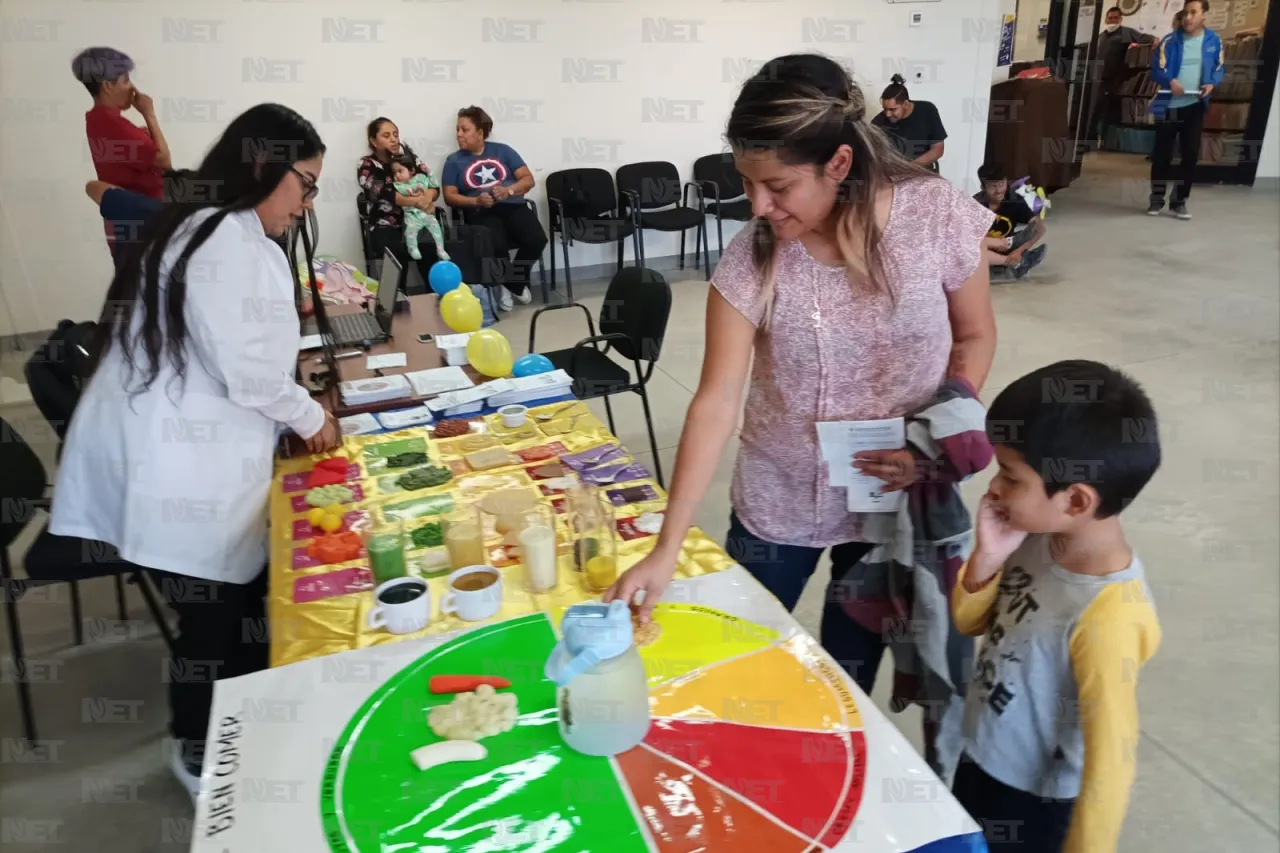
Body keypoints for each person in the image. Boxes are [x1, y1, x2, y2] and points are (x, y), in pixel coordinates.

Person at [605, 53, 996, 749]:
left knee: (844, 679)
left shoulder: (933, 215)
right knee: (740, 662)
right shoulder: (756, 250)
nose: (757, 206)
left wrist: (930, 442)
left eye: (777, 185)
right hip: (777, 495)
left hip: (890, 499)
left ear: (839, 163)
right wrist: (668, 546)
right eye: (747, 183)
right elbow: (716, 400)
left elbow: (973, 337)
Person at [50, 103, 341, 799]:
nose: (306, 204)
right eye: (306, 184)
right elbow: (249, 373)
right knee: (210, 616)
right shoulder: (227, 241)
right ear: (266, 167)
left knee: (238, 599)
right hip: (176, 470)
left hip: (187, 455)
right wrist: (313, 416)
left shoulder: (215, 227)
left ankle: (246, 720)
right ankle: (199, 748)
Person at [951, 360, 1163, 853]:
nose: (993, 487)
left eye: (1009, 475)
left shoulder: (1110, 614)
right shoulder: (1036, 536)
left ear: (1075, 501)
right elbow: (969, 622)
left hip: (1033, 802)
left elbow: (1111, 764)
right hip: (981, 753)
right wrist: (986, 559)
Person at [442, 106, 547, 309]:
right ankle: (506, 285)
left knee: (537, 239)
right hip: (481, 210)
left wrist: (508, 190)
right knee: (496, 244)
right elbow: (449, 196)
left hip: (512, 205)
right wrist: (476, 201)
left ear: (480, 133)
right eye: (457, 130)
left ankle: (512, 283)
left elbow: (528, 180)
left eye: (465, 130)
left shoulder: (503, 151)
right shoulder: (453, 161)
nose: (459, 134)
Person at [71, 46, 172, 259]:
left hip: (130, 224)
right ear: (107, 86)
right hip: (141, 223)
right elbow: (163, 161)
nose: (133, 89)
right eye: (126, 81)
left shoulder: (98, 120)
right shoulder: (114, 125)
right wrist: (149, 115)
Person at [1147, 0, 1224, 219]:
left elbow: (1219, 67)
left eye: (1193, 12)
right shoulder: (1169, 41)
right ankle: (1156, 200)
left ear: (1204, 15)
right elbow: (1157, 70)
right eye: (1185, 13)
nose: (1188, 17)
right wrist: (1170, 81)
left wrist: (1211, 83)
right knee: (1162, 155)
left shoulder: (1214, 41)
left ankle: (1179, 201)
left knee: (1190, 155)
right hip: (1169, 106)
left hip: (1194, 106)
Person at [358, 117, 442, 280]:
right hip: (386, 225)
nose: (394, 139)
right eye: (387, 135)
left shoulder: (409, 158)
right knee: (397, 251)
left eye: (395, 134)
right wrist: (417, 202)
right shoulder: (367, 165)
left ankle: (434, 296)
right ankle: (397, 299)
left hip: (416, 218)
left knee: (429, 246)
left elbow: (433, 185)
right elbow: (384, 194)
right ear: (374, 141)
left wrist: (428, 198)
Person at [1085, 7, 1157, 148]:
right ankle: (1091, 142)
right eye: (1110, 18)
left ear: (1120, 19)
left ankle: (1100, 143)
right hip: (1096, 80)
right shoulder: (1101, 36)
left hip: (1111, 80)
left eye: (1116, 18)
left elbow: (1141, 37)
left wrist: (1154, 40)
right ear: (1106, 19)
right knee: (1093, 112)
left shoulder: (1125, 33)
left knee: (1103, 112)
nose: (1113, 21)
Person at [974, 163, 1047, 280]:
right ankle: (1019, 262)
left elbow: (1040, 228)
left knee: (1031, 229)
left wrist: (1019, 250)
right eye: (993, 186)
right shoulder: (976, 204)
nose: (998, 191)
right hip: (984, 247)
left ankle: (1015, 255)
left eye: (1001, 184)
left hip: (1008, 245)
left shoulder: (1015, 201)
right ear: (983, 187)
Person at [870, 74, 947, 172]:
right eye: (885, 109)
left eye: (893, 109)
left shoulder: (927, 110)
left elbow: (937, 150)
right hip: (893, 174)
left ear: (905, 104)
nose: (888, 114)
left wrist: (909, 167)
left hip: (923, 171)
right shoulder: (878, 123)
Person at [390, 153, 449, 262]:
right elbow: (403, 192)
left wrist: (429, 173)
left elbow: (434, 185)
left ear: (412, 171)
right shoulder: (399, 185)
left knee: (436, 228)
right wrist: (414, 189)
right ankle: (413, 248)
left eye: (400, 171)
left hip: (426, 213)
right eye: (394, 173)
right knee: (410, 232)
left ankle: (440, 249)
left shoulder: (421, 178)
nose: (397, 176)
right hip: (412, 216)